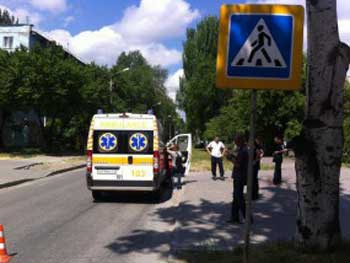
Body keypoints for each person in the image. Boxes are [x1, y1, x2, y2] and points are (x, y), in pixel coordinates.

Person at [227, 134, 249, 224]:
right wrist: (232, 155)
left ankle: (247, 217)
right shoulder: (241, 149)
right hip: (238, 176)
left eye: (236, 140)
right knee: (236, 197)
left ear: (240, 141)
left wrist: (229, 158)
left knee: (239, 198)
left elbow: (238, 164)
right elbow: (237, 159)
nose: (234, 142)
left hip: (240, 176)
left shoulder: (243, 150)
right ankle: (234, 217)